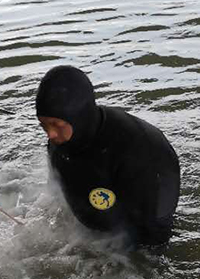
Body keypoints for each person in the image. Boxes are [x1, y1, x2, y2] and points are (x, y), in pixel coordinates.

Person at [36, 65, 181, 247]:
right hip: (97, 217)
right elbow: (56, 190)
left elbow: (154, 228)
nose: (50, 134)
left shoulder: (137, 149)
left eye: (56, 125)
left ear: (78, 117)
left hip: (148, 206)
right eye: (44, 125)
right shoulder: (61, 141)